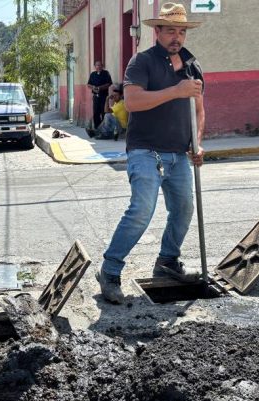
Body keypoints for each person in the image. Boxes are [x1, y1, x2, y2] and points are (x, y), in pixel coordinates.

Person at [96, 2, 206, 304]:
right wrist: (175, 91)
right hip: (145, 151)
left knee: (183, 209)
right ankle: (110, 271)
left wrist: (197, 142)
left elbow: (199, 110)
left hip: (178, 154)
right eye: (170, 30)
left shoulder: (193, 66)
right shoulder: (141, 62)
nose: (176, 37)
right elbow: (132, 102)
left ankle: (167, 261)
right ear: (157, 31)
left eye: (181, 31)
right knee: (142, 210)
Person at [87, 61, 113, 129]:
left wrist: (100, 88)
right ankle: (97, 128)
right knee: (96, 112)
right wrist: (93, 87)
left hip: (104, 96)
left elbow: (109, 83)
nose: (98, 67)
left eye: (100, 65)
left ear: (102, 66)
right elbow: (88, 84)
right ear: (95, 66)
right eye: (97, 65)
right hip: (96, 96)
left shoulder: (106, 73)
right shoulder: (93, 74)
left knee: (104, 112)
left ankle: (104, 128)